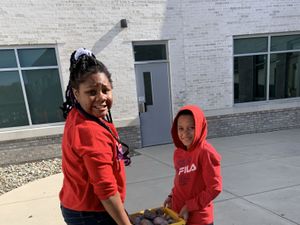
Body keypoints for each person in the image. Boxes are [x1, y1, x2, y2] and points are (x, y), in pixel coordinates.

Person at [59, 47, 132, 225]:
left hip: (78, 205)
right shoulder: (89, 131)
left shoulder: (78, 114)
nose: (101, 98)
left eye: (105, 90)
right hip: (91, 213)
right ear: (76, 94)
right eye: (91, 92)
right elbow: (106, 190)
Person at [164, 105, 222, 225]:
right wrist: (171, 196)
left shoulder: (206, 152)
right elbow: (180, 180)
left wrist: (190, 206)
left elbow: (214, 188)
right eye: (180, 128)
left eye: (191, 127)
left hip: (199, 219)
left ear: (200, 127)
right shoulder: (178, 152)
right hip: (179, 214)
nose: (185, 133)